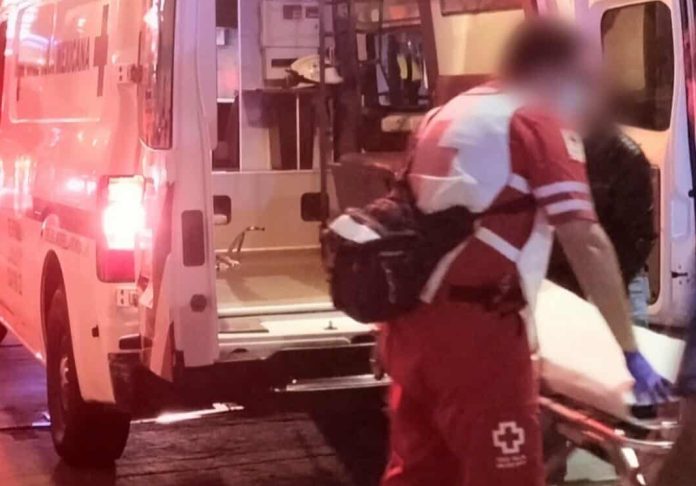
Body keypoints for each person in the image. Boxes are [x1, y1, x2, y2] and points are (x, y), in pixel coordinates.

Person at [379, 18, 670, 486]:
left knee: (422, 474)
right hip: (479, 342)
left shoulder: (446, 114)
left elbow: (410, 223)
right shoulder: (533, 120)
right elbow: (585, 238)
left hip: (412, 329)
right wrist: (629, 350)